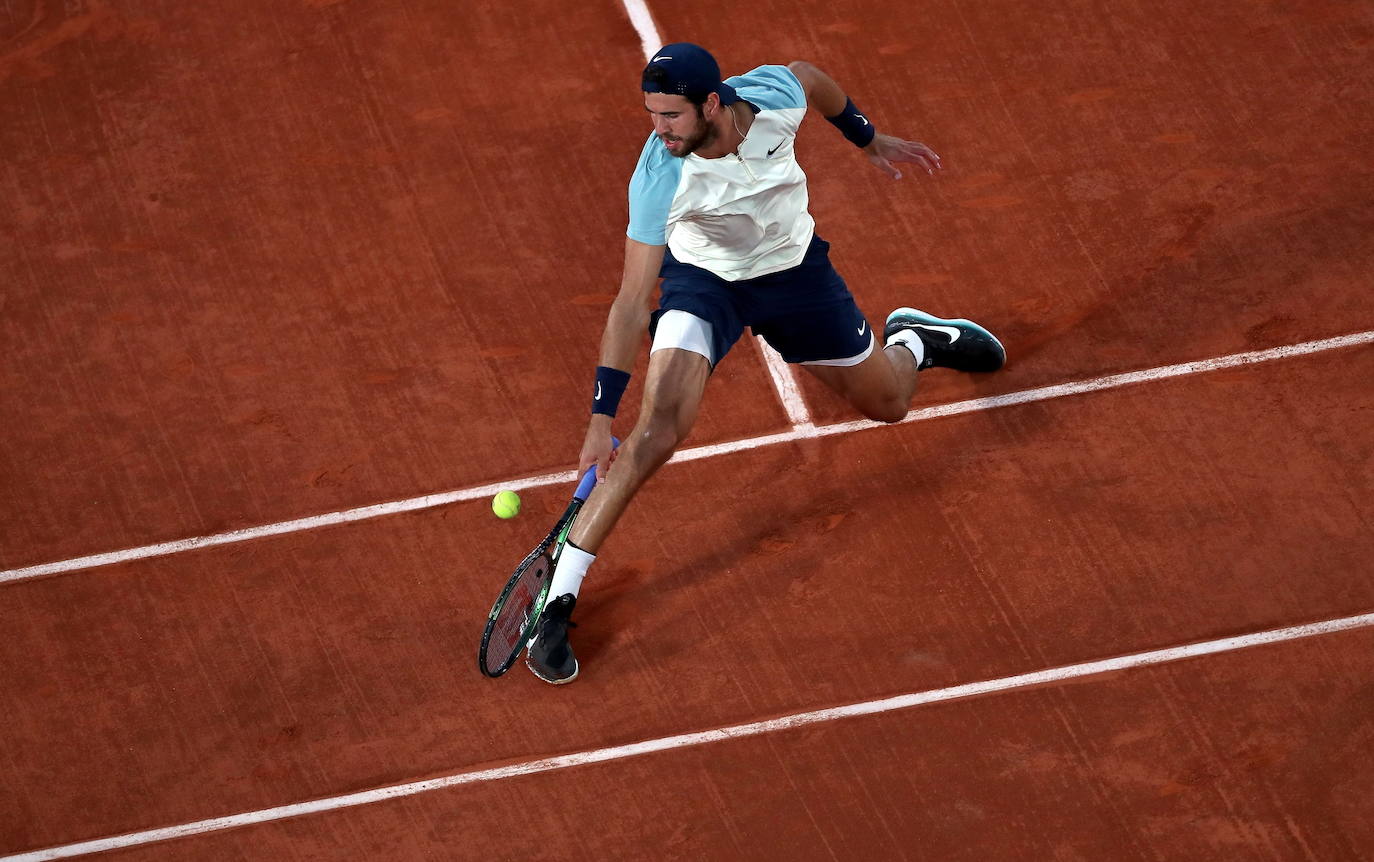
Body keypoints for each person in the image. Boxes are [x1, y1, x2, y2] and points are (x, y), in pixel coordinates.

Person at [526, 43, 1005, 684]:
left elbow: (815, 80)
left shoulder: (776, 98)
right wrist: (596, 420)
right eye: (651, 114)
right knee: (657, 430)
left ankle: (919, 340)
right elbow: (630, 302)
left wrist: (866, 138)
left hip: (794, 275)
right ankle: (558, 601)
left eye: (670, 115)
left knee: (889, 404)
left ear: (713, 103)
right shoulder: (659, 177)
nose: (657, 129)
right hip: (705, 282)